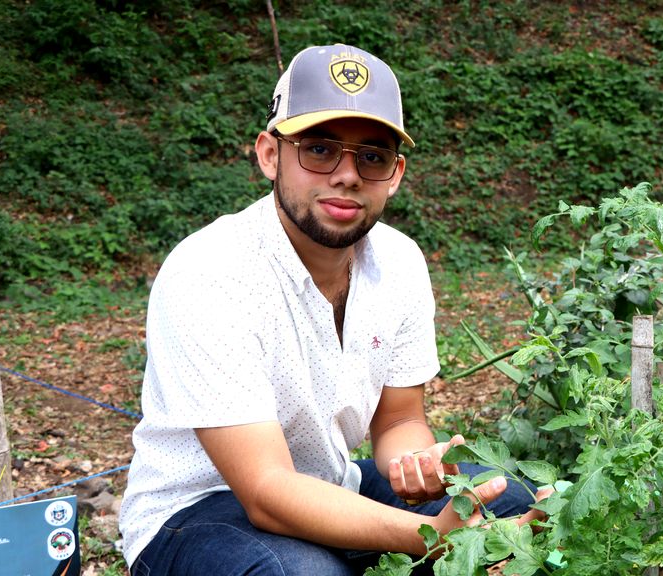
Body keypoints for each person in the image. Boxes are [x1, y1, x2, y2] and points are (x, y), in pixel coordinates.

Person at [119, 44, 544, 575]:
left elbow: (401, 419)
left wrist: (416, 467)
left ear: (396, 173)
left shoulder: (400, 261)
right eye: (319, 149)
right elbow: (268, 491)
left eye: (372, 156)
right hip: (196, 513)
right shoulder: (210, 272)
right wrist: (428, 536)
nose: (346, 175)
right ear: (270, 154)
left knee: (516, 503)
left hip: (330, 481)